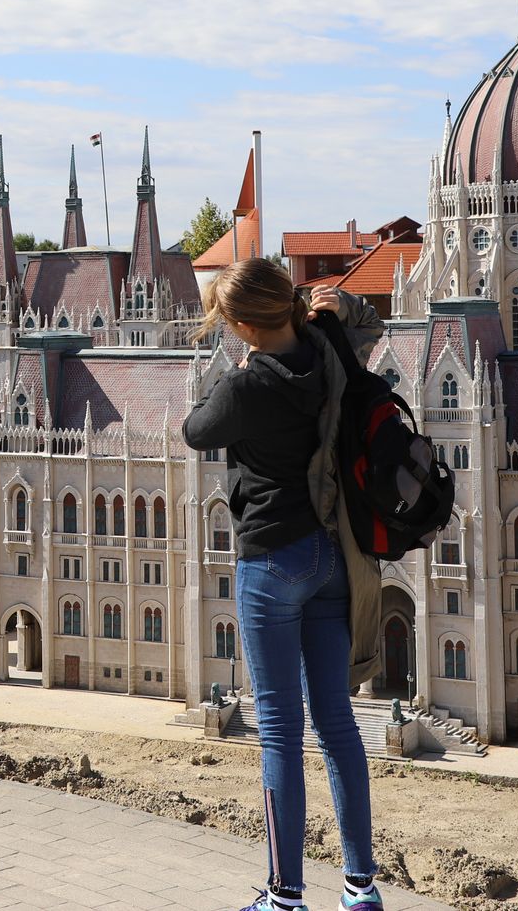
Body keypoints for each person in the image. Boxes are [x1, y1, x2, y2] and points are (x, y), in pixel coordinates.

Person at [180, 259, 386, 911]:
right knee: (337, 723)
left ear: (243, 326)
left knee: (278, 729)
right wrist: (332, 304)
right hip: (333, 554)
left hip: (272, 560)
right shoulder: (328, 348)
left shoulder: (247, 384)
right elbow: (369, 320)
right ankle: (360, 887)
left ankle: (286, 894)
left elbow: (196, 430)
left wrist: (240, 369)